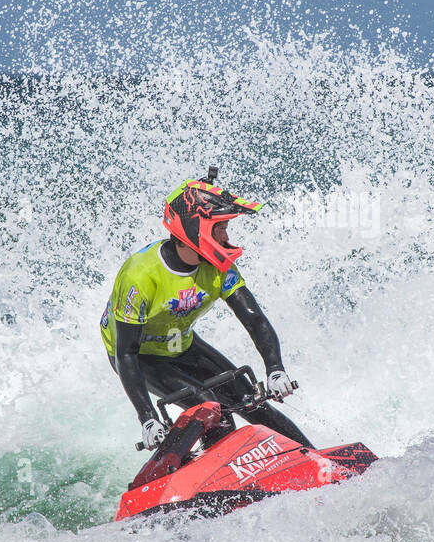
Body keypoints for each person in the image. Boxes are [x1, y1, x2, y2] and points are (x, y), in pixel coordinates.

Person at [99, 171, 313, 452]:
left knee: (252, 401)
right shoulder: (139, 276)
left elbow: (254, 318)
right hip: (139, 357)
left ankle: (317, 459)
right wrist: (148, 418)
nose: (226, 237)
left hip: (182, 343)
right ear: (192, 230)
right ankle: (215, 484)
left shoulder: (218, 266)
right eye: (219, 229)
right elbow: (125, 353)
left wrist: (275, 369)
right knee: (210, 407)